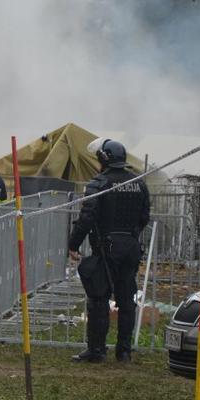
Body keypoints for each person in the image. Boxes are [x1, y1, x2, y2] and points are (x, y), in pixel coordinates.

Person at [68, 138, 150, 363]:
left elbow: (87, 218)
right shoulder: (139, 183)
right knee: (127, 299)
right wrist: (130, 236)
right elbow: (145, 216)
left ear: (104, 159)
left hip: (107, 248)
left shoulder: (99, 183)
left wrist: (73, 244)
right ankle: (124, 351)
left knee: (98, 299)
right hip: (130, 247)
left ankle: (96, 350)